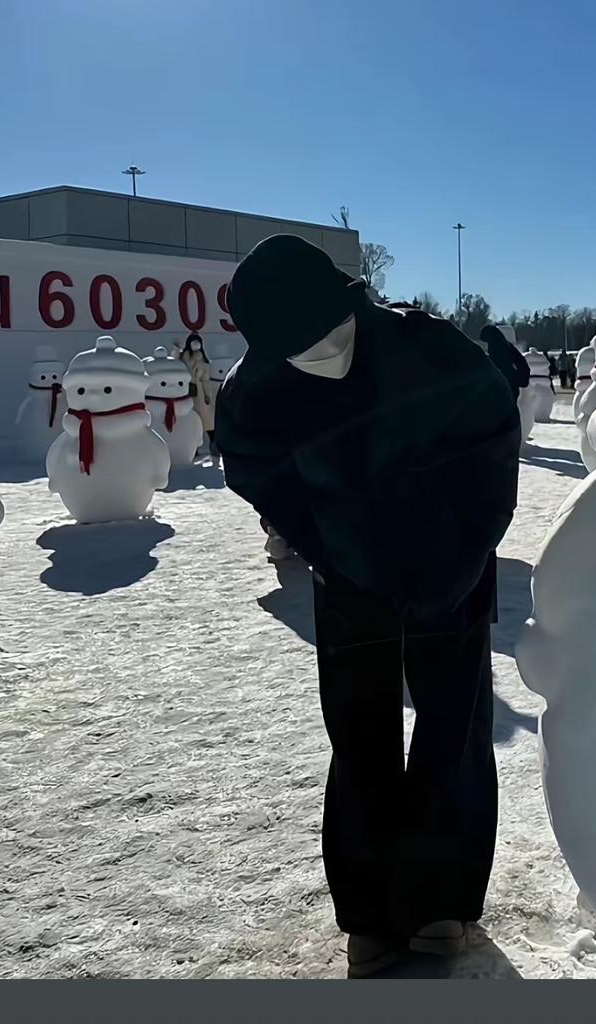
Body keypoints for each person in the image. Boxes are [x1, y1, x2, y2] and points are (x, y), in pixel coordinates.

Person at [214, 235, 520, 978]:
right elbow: (254, 468)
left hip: (452, 565)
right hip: (351, 582)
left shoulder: (435, 350)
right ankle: (372, 914)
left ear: (351, 305)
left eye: (326, 337)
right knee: (361, 741)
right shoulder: (256, 387)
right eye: (295, 350)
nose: (317, 355)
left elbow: (492, 449)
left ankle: (442, 902)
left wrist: (463, 554)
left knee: (452, 729)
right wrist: (328, 545)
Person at [179, 333, 216, 452]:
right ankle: (192, 448)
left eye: (197, 342)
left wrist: (207, 395)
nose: (196, 345)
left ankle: (213, 442)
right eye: (193, 342)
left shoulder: (204, 363)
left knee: (206, 419)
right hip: (184, 390)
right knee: (188, 420)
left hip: (198, 392)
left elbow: (205, 380)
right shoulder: (183, 358)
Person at [479, 325, 529, 398]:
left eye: (485, 342)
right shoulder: (508, 348)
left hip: (502, 389)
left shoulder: (497, 351)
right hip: (509, 388)